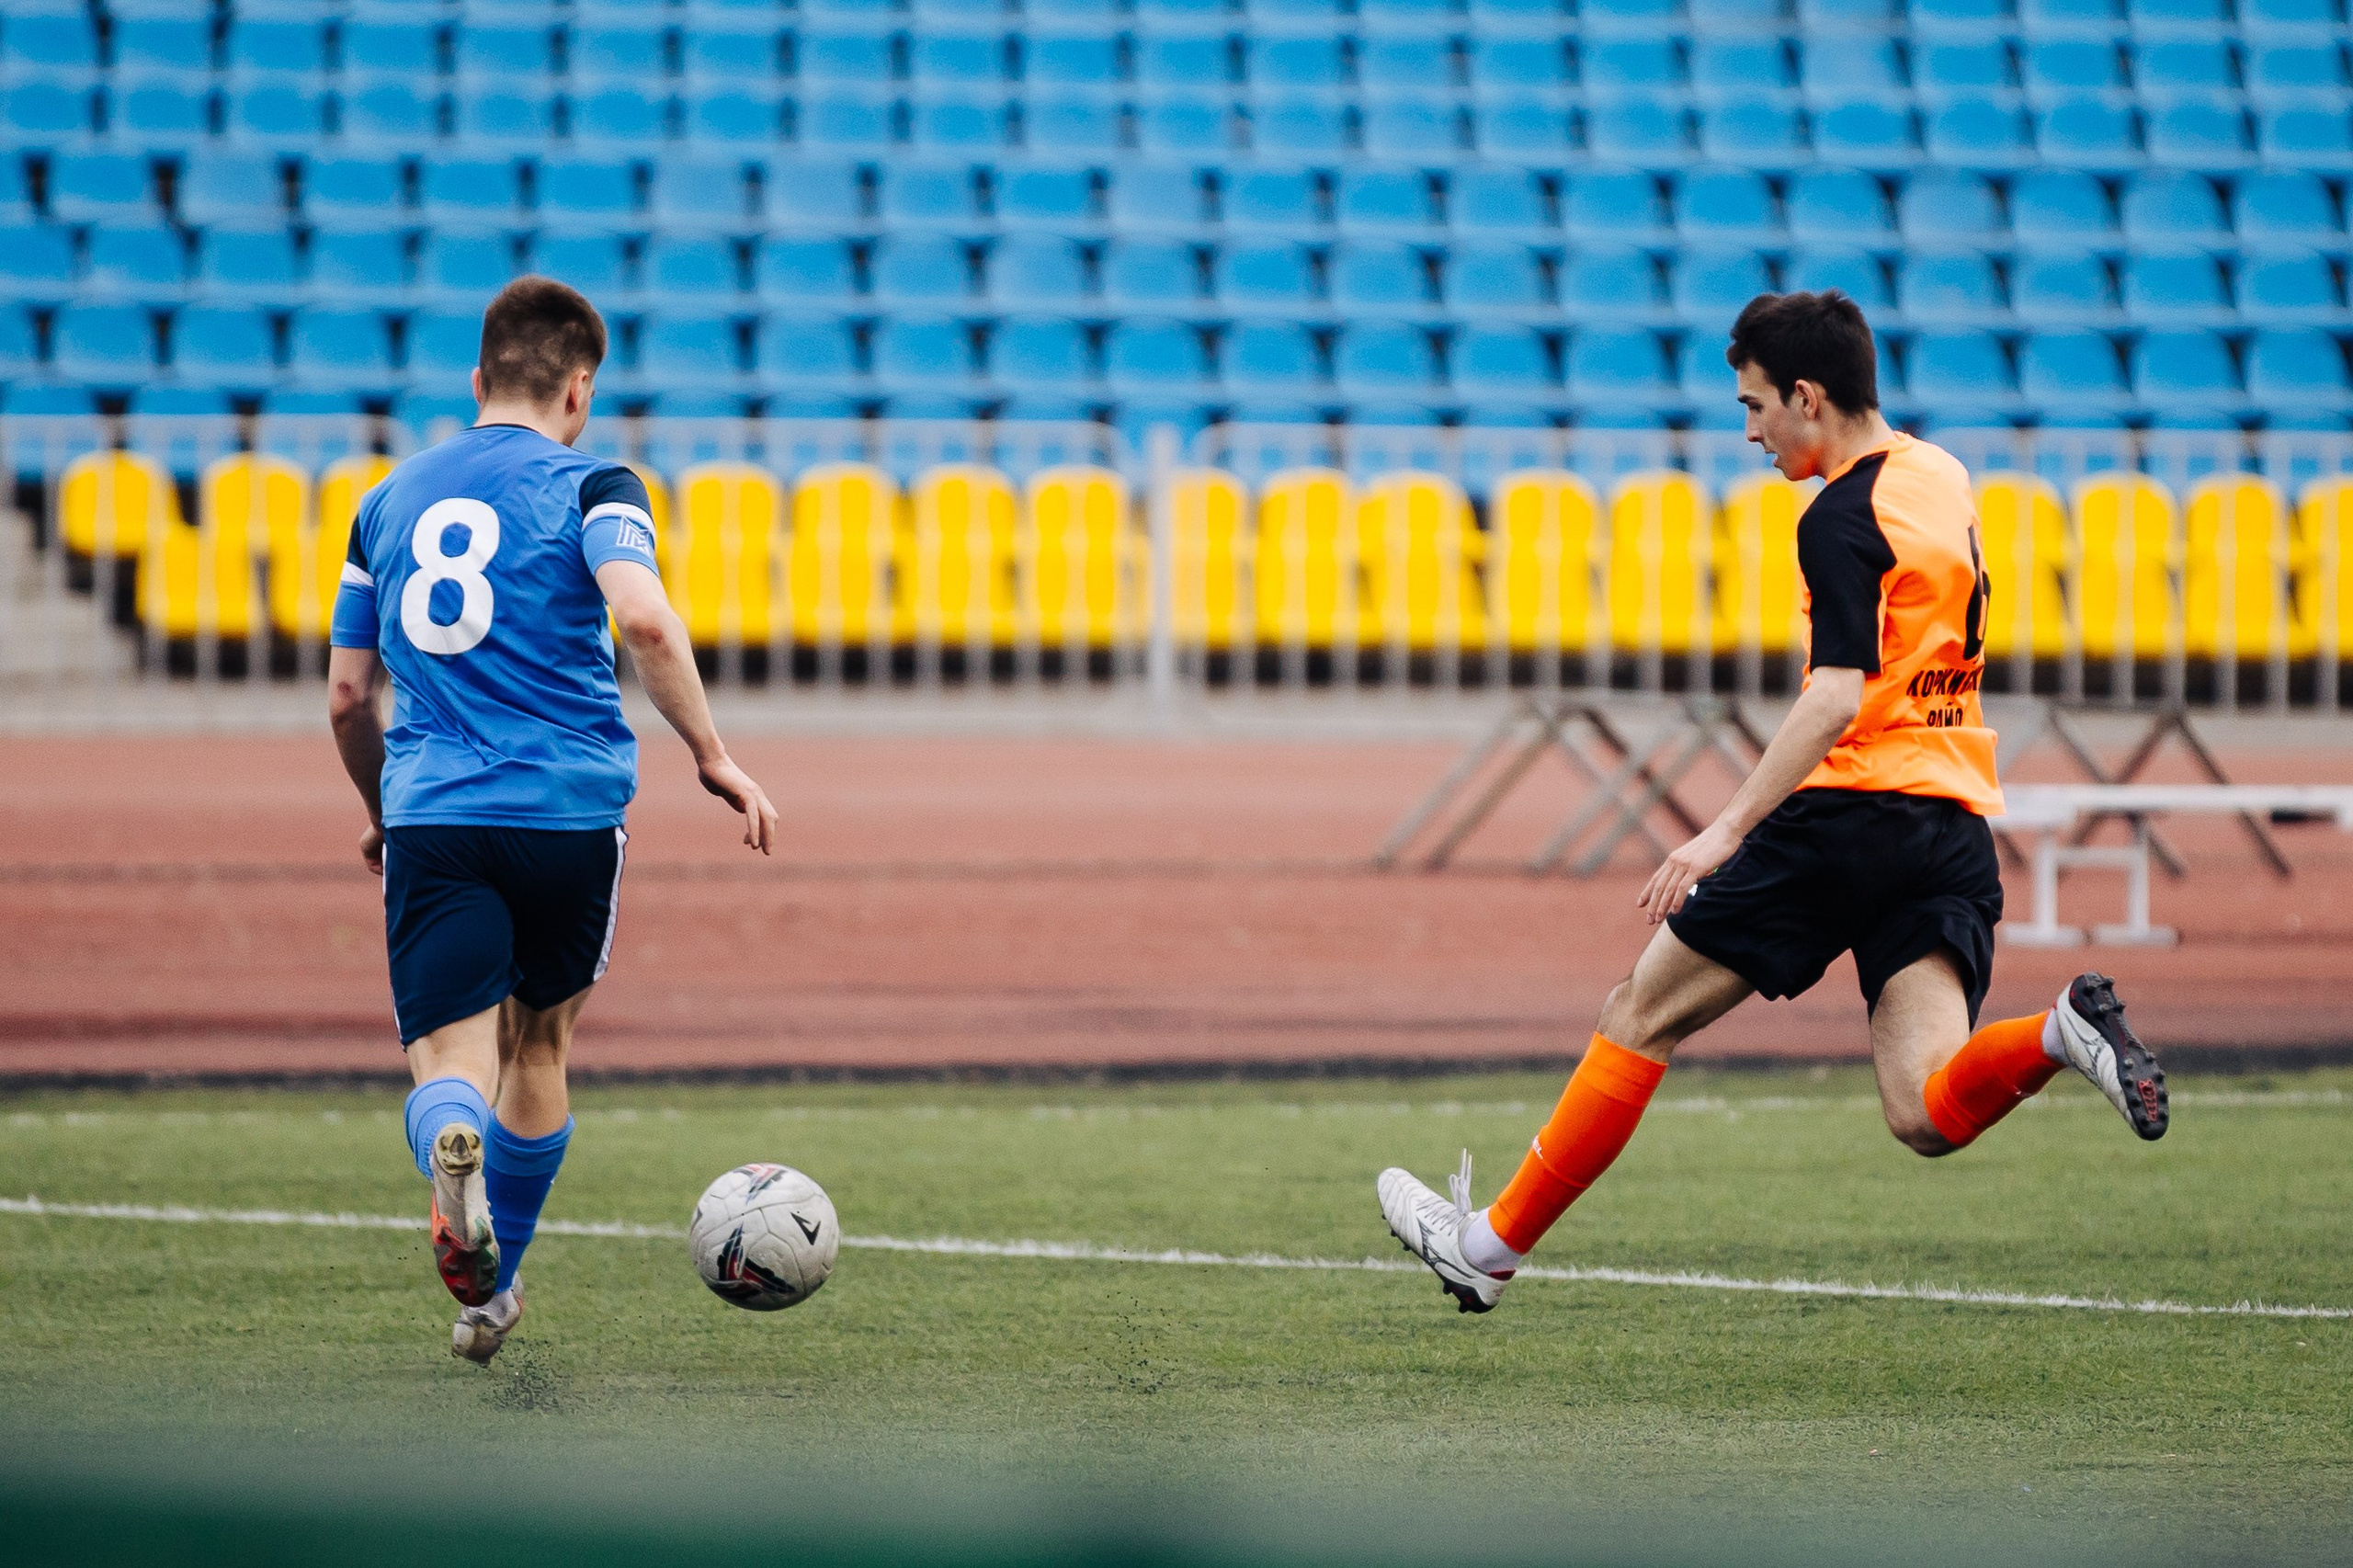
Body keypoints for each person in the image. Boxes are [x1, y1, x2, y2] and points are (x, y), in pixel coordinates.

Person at [1376, 290, 2168, 1314]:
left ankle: (1485, 1247)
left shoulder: (1838, 513)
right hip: (1947, 827)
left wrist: (1722, 829)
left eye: (1755, 407)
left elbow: (1836, 690)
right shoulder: (1942, 475)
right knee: (1924, 1108)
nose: (1748, 432)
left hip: (1844, 819)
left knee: (1639, 1010)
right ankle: (2062, 1032)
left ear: (1807, 395)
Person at [327, 277, 779, 1361]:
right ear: (580, 389)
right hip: (571, 814)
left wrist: (382, 808)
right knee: (541, 1044)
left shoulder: (384, 501)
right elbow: (646, 620)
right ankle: (493, 1295)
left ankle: (448, 1138)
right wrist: (712, 755)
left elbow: (349, 694)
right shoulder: (598, 484)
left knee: (453, 1053)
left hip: (436, 807)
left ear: (477, 379)